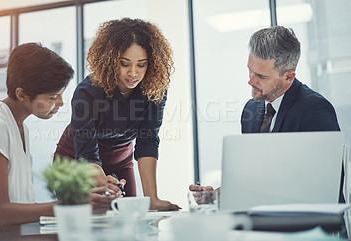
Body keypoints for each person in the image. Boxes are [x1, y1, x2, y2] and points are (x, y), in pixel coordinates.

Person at [0, 43, 122, 228]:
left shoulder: (20, 127)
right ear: (21, 94)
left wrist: (85, 196)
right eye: (52, 97)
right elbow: (0, 214)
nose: (61, 103)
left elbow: (21, 206)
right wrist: (74, 204)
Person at [190, 26, 344, 203]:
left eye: (261, 77)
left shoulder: (315, 110)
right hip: (262, 219)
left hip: (305, 225)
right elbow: (254, 177)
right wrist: (217, 195)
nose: (250, 81)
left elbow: (325, 187)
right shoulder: (252, 109)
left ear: (288, 77)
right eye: (250, 70)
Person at [54, 18, 180, 211]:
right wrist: (103, 182)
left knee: (131, 214)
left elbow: (148, 141)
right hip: (76, 160)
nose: (133, 73)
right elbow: (87, 154)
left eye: (141, 65)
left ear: (151, 64)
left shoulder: (155, 90)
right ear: (111, 60)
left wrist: (152, 199)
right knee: (93, 217)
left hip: (121, 160)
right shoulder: (87, 91)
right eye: (124, 64)